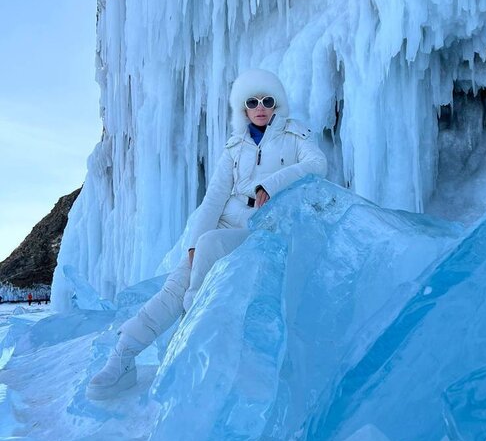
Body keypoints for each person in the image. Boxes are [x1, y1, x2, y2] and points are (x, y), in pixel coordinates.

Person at [87, 69, 327, 400]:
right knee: (177, 282)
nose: (260, 107)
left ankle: (191, 323)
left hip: (266, 227)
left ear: (276, 105)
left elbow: (318, 166)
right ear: (243, 109)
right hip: (228, 224)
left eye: (267, 101)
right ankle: (124, 354)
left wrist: (271, 184)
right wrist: (190, 247)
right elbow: (213, 200)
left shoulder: (295, 135)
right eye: (252, 102)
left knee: (209, 248)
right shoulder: (234, 147)